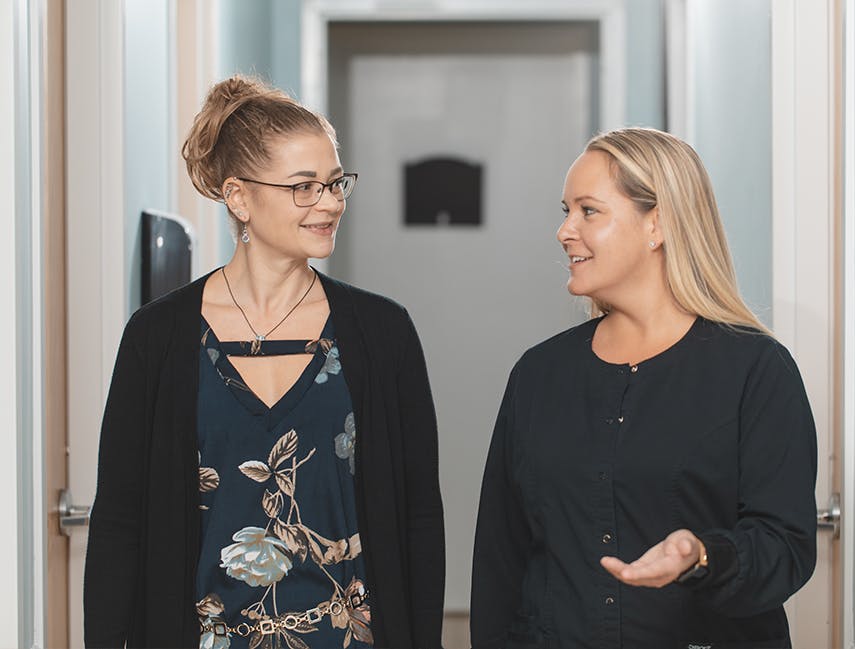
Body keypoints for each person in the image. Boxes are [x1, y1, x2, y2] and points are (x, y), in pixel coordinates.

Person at [84, 75, 445, 649]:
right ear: (239, 196)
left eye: (334, 183)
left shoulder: (383, 333)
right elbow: (119, 523)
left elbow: (418, 517)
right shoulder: (156, 338)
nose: (329, 203)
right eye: (304, 187)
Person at [470, 127, 817, 648]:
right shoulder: (539, 374)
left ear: (657, 223)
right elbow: (501, 556)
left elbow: (785, 546)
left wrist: (702, 553)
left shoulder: (756, 370)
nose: (565, 231)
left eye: (588, 211)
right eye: (565, 210)